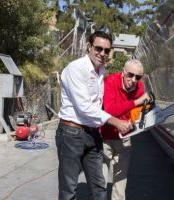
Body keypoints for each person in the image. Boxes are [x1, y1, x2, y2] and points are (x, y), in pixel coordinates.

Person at [56, 30, 132, 200]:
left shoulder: (100, 71)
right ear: (89, 47)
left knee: (99, 187)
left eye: (107, 50)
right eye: (98, 48)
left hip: (93, 134)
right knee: (69, 189)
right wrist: (115, 122)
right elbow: (84, 107)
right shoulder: (76, 68)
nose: (102, 53)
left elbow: (100, 103)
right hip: (71, 134)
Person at [101, 59, 150, 200]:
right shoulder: (110, 81)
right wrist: (136, 101)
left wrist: (133, 120)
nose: (134, 80)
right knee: (101, 179)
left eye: (138, 77)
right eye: (130, 74)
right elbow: (110, 110)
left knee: (121, 181)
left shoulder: (139, 87)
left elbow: (137, 111)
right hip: (105, 136)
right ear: (123, 72)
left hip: (125, 137)